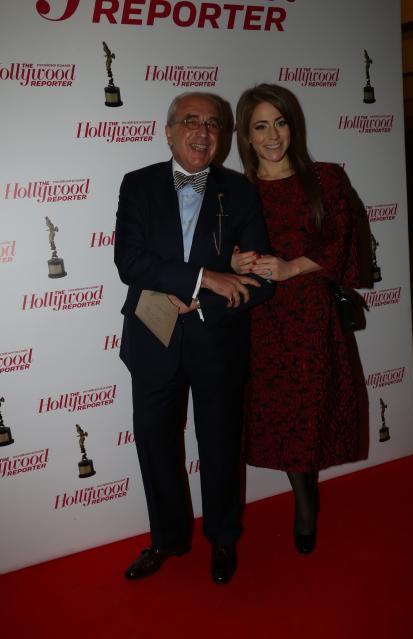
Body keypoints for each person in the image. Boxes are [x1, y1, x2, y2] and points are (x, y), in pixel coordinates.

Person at [114, 92, 273, 584]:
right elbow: (130, 262)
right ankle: (167, 538)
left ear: (221, 136)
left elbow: (262, 278)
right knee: (155, 444)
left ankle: (223, 538)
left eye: (212, 123)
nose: (202, 132)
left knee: (221, 446)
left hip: (218, 342)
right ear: (168, 131)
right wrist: (205, 278)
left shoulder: (239, 191)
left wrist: (205, 298)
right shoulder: (138, 185)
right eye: (190, 121)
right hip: (152, 337)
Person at [232, 83, 364, 554]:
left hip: (310, 315)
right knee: (281, 412)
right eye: (260, 127)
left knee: (308, 408)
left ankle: (305, 503)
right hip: (261, 321)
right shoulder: (237, 191)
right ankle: (304, 493)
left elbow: (340, 241)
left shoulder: (325, 178)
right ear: (246, 136)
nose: (273, 136)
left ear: (294, 125)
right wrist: (234, 262)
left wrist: (291, 268)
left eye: (280, 122)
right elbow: (218, 250)